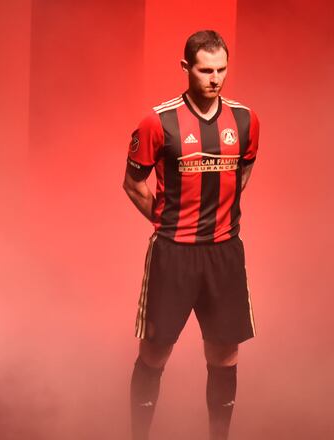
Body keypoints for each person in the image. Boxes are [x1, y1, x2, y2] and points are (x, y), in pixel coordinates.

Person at [122, 30, 260, 440]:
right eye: (205, 70)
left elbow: (245, 169)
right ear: (186, 68)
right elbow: (132, 184)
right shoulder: (157, 122)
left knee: (225, 353)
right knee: (155, 352)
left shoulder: (245, 119)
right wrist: (167, 220)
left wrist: (219, 213)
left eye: (221, 70)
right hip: (174, 253)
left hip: (224, 253)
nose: (215, 79)